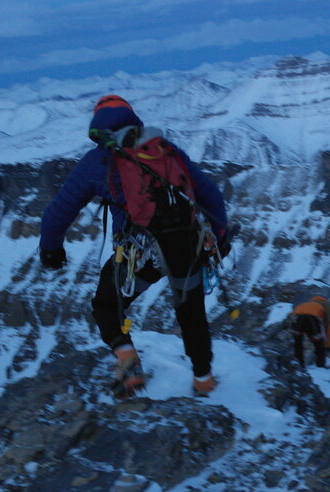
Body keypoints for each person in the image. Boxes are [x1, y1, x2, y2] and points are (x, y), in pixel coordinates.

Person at [38, 94, 230, 397]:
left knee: (107, 304)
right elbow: (210, 195)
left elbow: (59, 211)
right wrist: (219, 237)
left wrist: (51, 249)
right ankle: (203, 380)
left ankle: (128, 364)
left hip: (140, 253)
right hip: (188, 244)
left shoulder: (97, 161)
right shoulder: (165, 150)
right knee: (191, 312)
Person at [287, 296, 330, 368]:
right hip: (311, 319)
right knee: (319, 344)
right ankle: (320, 366)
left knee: (298, 343)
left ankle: (299, 366)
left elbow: (291, 316)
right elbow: (329, 326)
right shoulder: (325, 306)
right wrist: (327, 345)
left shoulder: (305, 304)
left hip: (296, 319)